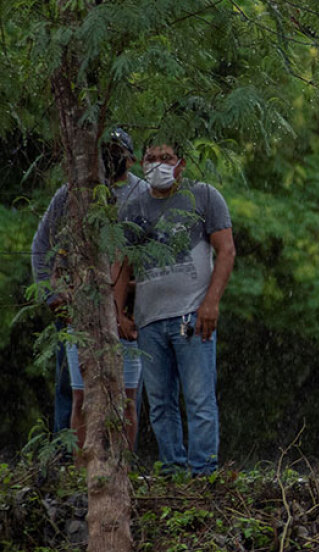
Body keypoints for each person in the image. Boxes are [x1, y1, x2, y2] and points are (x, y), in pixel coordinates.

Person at [115, 143, 235, 475]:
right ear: (141, 162)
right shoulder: (133, 208)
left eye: (166, 158)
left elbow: (226, 251)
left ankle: (203, 472)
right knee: (159, 403)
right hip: (149, 320)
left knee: (198, 399)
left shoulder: (204, 196)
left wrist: (211, 303)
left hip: (192, 315)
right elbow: (121, 264)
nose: (158, 165)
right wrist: (118, 312)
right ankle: (172, 470)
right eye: (151, 158)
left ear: (180, 163)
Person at [31, 127, 147, 449]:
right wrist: (52, 295)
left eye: (117, 152)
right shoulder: (71, 193)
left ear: (131, 158)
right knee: (72, 387)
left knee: (127, 390)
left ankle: (121, 458)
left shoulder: (142, 195)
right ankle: (68, 456)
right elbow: (41, 246)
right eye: (105, 150)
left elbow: (147, 256)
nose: (110, 157)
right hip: (76, 305)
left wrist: (134, 302)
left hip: (126, 310)